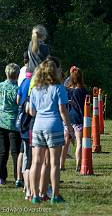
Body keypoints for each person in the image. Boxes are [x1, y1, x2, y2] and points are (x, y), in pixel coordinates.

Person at [29, 58, 74, 204]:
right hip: (53, 126)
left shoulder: (35, 88)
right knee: (54, 163)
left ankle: (35, 195)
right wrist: (69, 128)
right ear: (54, 72)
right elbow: (63, 111)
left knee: (36, 162)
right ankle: (55, 195)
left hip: (37, 127)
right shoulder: (59, 88)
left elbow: (32, 111)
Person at [63, 66, 87, 172]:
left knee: (66, 143)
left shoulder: (66, 90)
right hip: (78, 119)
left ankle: (61, 164)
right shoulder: (82, 91)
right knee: (79, 142)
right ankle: (78, 164)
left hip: (68, 118)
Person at [0, 63, 21, 185]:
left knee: (2, 152)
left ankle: (1, 177)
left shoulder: (1, 86)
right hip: (14, 123)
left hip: (1, 121)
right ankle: (18, 176)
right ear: (17, 74)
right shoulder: (17, 89)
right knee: (15, 152)